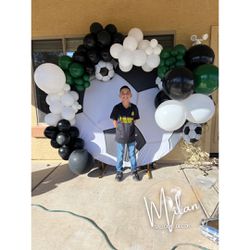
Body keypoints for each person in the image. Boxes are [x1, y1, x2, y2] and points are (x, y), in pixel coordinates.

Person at [110, 85, 140, 182]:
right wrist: (120, 130)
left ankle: (134, 171)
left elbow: (135, 120)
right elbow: (114, 121)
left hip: (131, 136)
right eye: (123, 93)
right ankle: (119, 172)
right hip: (120, 137)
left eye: (127, 92)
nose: (125, 94)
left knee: (132, 154)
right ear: (120, 95)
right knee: (120, 155)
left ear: (130, 95)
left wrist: (129, 128)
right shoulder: (117, 108)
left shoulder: (134, 108)